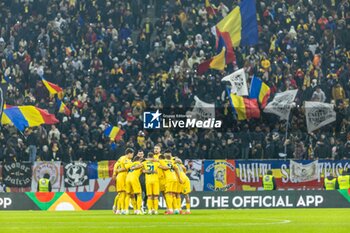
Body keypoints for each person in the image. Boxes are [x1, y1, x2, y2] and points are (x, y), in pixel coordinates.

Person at [158, 150, 183, 214]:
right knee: (173, 194)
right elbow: (177, 168)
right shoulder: (172, 161)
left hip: (169, 179)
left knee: (168, 194)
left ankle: (170, 210)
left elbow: (156, 161)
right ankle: (176, 209)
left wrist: (160, 166)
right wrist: (179, 178)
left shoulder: (162, 161)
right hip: (175, 178)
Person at [112, 148, 134, 215]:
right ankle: (123, 209)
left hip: (119, 176)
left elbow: (115, 166)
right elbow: (127, 167)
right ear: (129, 153)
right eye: (132, 154)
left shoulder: (120, 158)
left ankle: (118, 209)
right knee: (124, 194)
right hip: (123, 176)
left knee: (121, 194)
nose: (132, 155)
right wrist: (133, 164)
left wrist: (114, 174)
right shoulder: (127, 159)